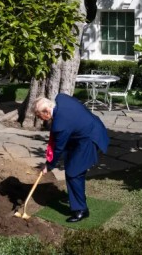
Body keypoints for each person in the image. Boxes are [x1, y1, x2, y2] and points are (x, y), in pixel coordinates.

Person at [34, 93, 109, 223]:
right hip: (83, 132)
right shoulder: (61, 98)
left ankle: (81, 210)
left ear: (46, 112)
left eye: (39, 116)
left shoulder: (60, 125)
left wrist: (49, 165)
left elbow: (58, 148)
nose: (40, 119)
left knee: (74, 173)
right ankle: (76, 197)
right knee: (71, 164)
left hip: (90, 138)